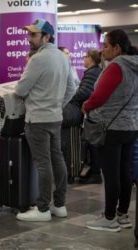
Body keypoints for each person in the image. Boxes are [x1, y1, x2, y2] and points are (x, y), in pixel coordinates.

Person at [14, 18, 76, 222]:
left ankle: (42, 209)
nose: (29, 38)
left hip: (38, 119)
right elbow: (71, 89)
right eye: (29, 34)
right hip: (55, 118)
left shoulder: (38, 59)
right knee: (57, 160)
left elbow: (21, 89)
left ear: (46, 36)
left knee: (43, 164)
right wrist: (57, 104)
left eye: (34, 35)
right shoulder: (62, 57)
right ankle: (59, 205)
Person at [82, 29, 138, 232]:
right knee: (125, 172)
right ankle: (123, 215)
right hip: (131, 126)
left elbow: (99, 96)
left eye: (106, 46)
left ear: (117, 48)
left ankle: (109, 217)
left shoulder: (117, 66)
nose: (102, 49)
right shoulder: (135, 65)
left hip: (112, 128)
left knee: (111, 174)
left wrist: (86, 106)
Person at [68, 48, 106, 184]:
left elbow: (84, 92)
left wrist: (68, 99)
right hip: (95, 112)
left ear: (90, 58)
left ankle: (95, 172)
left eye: (85, 57)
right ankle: (94, 171)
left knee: (93, 142)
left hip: (93, 113)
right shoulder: (95, 71)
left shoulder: (92, 72)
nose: (83, 59)